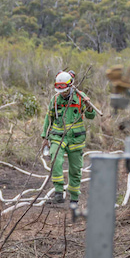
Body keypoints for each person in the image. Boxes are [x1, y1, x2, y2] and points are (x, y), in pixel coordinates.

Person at [42, 70, 96, 208]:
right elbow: (48, 119)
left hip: (76, 138)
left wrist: (89, 107)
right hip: (57, 136)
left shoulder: (81, 97)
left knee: (75, 169)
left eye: (65, 90)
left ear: (71, 86)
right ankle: (59, 193)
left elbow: (91, 116)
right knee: (55, 159)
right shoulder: (55, 100)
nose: (63, 93)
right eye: (61, 91)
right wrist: (45, 137)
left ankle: (74, 199)